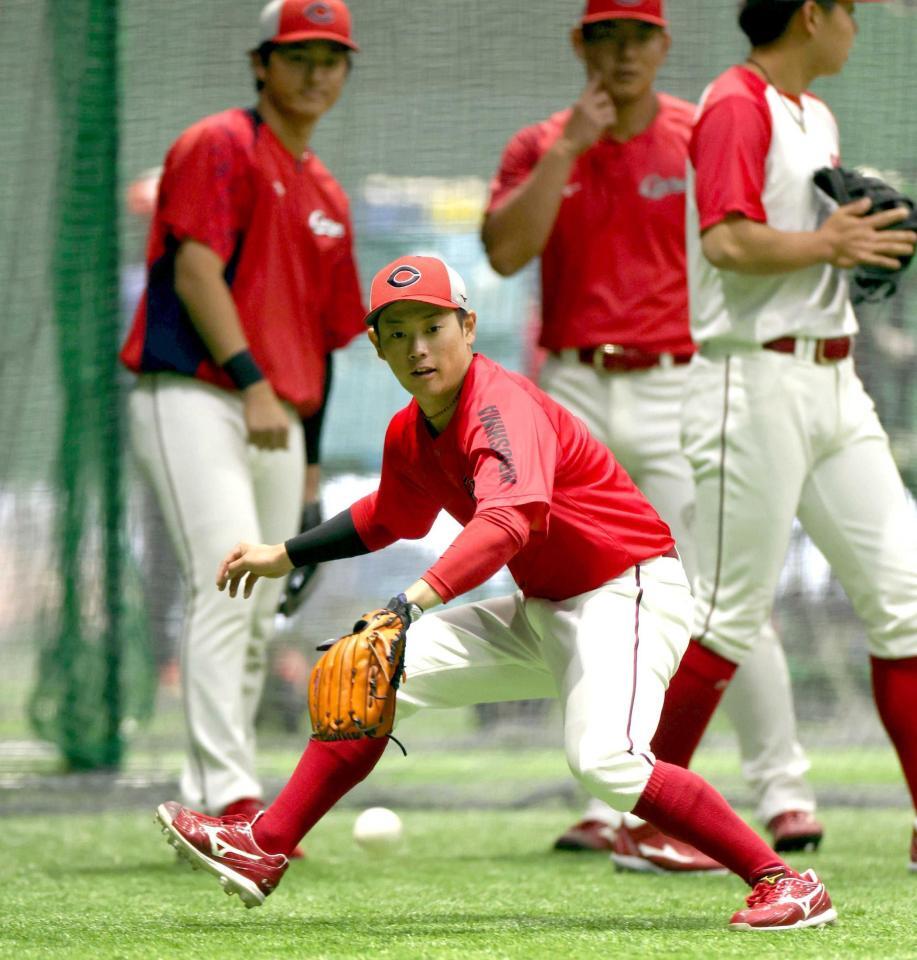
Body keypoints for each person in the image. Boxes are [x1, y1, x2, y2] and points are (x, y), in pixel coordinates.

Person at [156, 254, 836, 931]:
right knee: (374, 673)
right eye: (398, 333)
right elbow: (390, 516)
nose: (418, 348)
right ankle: (265, 846)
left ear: (469, 326)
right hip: (550, 608)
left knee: (606, 761)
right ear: (377, 346)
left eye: (433, 327)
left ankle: (786, 881)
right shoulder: (410, 430)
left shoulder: (500, 405)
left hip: (627, 592)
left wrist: (409, 604)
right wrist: (284, 553)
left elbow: (507, 523)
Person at [481, 0, 821, 866]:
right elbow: (504, 253)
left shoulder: (693, 133)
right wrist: (567, 149)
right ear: (580, 44)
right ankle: (608, 801)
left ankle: (784, 791)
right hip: (573, 394)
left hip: (679, 384)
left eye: (639, 35)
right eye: (606, 35)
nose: (623, 52)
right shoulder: (538, 143)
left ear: (663, 44)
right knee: (584, 599)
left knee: (716, 591)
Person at [648, 0, 917, 873]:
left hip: (832, 377)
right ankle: (645, 818)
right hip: (749, 377)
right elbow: (725, 243)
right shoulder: (734, 102)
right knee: (727, 614)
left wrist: (847, 241)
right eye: (849, 10)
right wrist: (826, 241)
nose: (855, 25)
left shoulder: (813, 113)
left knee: (903, 598)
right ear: (810, 14)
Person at [120, 0, 365, 833]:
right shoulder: (217, 143)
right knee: (226, 582)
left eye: (331, 58)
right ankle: (233, 799)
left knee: (258, 610)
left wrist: (310, 465)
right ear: (261, 62)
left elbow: (325, 342)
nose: (316, 72)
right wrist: (252, 380)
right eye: (298, 55)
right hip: (193, 393)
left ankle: (213, 796)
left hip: (279, 415)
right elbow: (196, 271)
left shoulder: (327, 191)